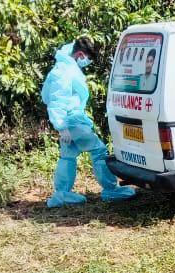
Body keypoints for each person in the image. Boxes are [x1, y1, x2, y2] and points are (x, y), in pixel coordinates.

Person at [41, 37, 135, 208]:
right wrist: (62, 127)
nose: (87, 63)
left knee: (67, 155)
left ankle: (62, 194)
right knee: (99, 150)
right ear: (80, 54)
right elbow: (56, 99)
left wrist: (63, 127)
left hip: (70, 120)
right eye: (88, 59)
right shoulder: (64, 71)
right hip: (72, 121)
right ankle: (110, 190)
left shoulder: (66, 65)